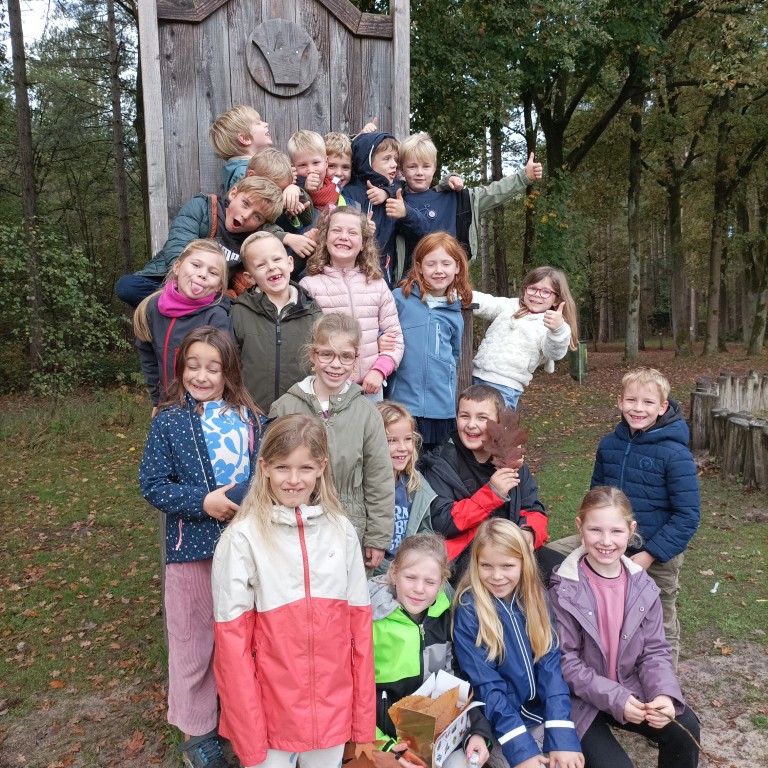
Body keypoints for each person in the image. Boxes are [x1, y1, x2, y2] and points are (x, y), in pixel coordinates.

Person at [211, 414, 375, 768]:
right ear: (264, 467)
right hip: (270, 719)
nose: (294, 479)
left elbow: (360, 635)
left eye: (305, 468)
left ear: (322, 468)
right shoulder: (241, 539)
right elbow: (232, 649)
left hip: (332, 715)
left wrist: (363, 723)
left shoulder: (341, 531)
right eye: (282, 467)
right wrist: (249, 734)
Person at [139, 327, 265, 768]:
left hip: (244, 550)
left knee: (240, 638)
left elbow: (264, 472)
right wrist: (202, 502)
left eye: (213, 367)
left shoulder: (251, 419)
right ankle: (198, 733)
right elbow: (152, 484)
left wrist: (244, 498)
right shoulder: (169, 420)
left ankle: (240, 719)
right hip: (190, 551)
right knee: (193, 642)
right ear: (180, 368)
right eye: (193, 366)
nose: (202, 375)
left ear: (229, 371)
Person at [550, 368, 700, 669]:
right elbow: (595, 496)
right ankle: (576, 656)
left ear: (663, 407)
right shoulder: (609, 445)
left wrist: (651, 554)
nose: (638, 408)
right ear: (620, 402)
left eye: (648, 402)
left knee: (659, 617)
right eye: (631, 400)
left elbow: (687, 515)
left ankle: (664, 686)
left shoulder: (675, 454)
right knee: (548, 558)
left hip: (657, 551)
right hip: (606, 538)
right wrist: (590, 534)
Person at [549, 487, 700, 768]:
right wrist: (616, 698)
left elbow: (654, 650)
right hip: (580, 701)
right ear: (580, 528)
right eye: (595, 530)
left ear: (631, 531)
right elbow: (565, 662)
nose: (606, 541)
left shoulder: (643, 585)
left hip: (629, 689)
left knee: (685, 727)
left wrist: (663, 694)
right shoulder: (564, 589)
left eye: (616, 531)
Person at [452, 518, 584, 768]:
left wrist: (561, 734)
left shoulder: (536, 596)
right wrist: (522, 750)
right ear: (475, 564)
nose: (497, 576)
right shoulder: (470, 609)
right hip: (500, 724)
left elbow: (550, 666)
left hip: (540, 714)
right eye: (486, 566)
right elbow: (487, 686)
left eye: (507, 565)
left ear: (524, 562)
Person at [269, 313, 394, 570]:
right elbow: (268, 472)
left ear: (356, 359)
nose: (336, 364)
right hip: (291, 526)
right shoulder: (285, 407)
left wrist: (377, 537)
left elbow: (379, 478)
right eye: (327, 354)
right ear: (313, 355)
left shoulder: (367, 413)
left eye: (345, 356)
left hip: (348, 528)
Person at [368, 533, 494, 767]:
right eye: (410, 577)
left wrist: (477, 730)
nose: (419, 589)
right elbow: (353, 694)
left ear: (442, 582)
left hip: (435, 737)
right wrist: (383, 745)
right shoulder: (371, 621)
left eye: (429, 582)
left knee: (467, 762)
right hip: (382, 742)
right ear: (394, 574)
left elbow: (458, 682)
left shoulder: (446, 617)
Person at [421, 384, 562, 586]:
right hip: (466, 554)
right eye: (464, 416)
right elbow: (442, 522)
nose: (471, 425)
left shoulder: (512, 461)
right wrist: (492, 493)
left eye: (482, 418)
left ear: (498, 423)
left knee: (563, 572)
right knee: (486, 584)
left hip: (511, 548)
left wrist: (528, 532)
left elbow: (533, 508)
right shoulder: (440, 463)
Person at [115, 176, 285, 308]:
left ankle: (187, 311)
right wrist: (188, 286)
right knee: (127, 287)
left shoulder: (250, 243)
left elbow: (242, 281)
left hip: (212, 294)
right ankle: (184, 308)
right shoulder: (202, 208)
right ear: (233, 194)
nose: (246, 216)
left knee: (231, 309)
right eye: (245, 204)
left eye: (257, 216)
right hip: (172, 281)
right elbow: (178, 248)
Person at [396, 132, 543, 271]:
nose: (420, 172)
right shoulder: (395, 201)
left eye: (426, 166)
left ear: (434, 167)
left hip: (451, 283)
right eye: (412, 166)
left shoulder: (456, 199)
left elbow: (493, 192)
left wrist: (524, 177)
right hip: (411, 283)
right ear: (401, 169)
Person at [299, 207, 404, 400]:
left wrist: (379, 371)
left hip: (369, 388)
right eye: (336, 230)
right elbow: (305, 341)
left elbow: (394, 337)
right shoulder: (309, 286)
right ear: (325, 238)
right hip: (327, 388)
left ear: (363, 243)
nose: (344, 237)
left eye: (352, 232)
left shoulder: (377, 284)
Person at [389, 232, 473, 451]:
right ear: (419, 267)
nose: (438, 270)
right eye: (431, 264)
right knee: (404, 460)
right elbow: (385, 332)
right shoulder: (400, 298)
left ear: (457, 267)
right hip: (404, 404)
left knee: (436, 464)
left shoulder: (454, 313)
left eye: (446, 263)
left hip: (440, 409)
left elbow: (453, 356)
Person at [133, 240, 231, 410]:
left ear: (219, 286)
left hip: (203, 408)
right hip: (166, 404)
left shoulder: (217, 317)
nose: (202, 274)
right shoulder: (153, 307)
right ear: (177, 267)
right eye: (196, 265)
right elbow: (148, 355)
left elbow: (225, 368)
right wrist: (157, 400)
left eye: (213, 272)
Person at [231, 232, 322, 412]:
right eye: (261, 265)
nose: (271, 267)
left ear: (290, 263)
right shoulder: (239, 312)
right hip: (252, 414)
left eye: (276, 259)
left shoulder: (313, 315)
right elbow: (231, 366)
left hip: (298, 416)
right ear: (250, 277)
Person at [472, 266, 579, 410]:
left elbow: (554, 353)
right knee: (469, 421)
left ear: (556, 300)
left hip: (505, 387)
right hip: (475, 376)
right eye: (532, 288)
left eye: (546, 292)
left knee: (494, 424)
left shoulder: (552, 324)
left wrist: (558, 330)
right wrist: (459, 292)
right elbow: (486, 302)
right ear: (525, 289)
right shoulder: (510, 306)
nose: (537, 295)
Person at [342, 131, 429, 286]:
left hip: (382, 280)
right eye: (387, 159)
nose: (394, 164)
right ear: (367, 161)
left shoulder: (395, 196)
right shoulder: (348, 193)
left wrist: (406, 213)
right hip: (348, 278)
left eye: (395, 159)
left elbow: (424, 232)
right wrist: (360, 228)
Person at [374, 402, 437, 575]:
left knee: (444, 588)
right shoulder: (364, 488)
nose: (402, 448)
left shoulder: (415, 484)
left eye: (407, 439)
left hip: (410, 568)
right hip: (375, 573)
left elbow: (424, 531)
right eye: (391, 440)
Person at [208, 104, 272, 194]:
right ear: (245, 138)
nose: (266, 124)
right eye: (258, 123)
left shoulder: (241, 169)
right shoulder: (244, 172)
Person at [289, 130, 344, 213]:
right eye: (302, 165)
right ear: (293, 167)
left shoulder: (337, 187)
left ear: (326, 162)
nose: (311, 170)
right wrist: (304, 191)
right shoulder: (292, 194)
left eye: (316, 163)